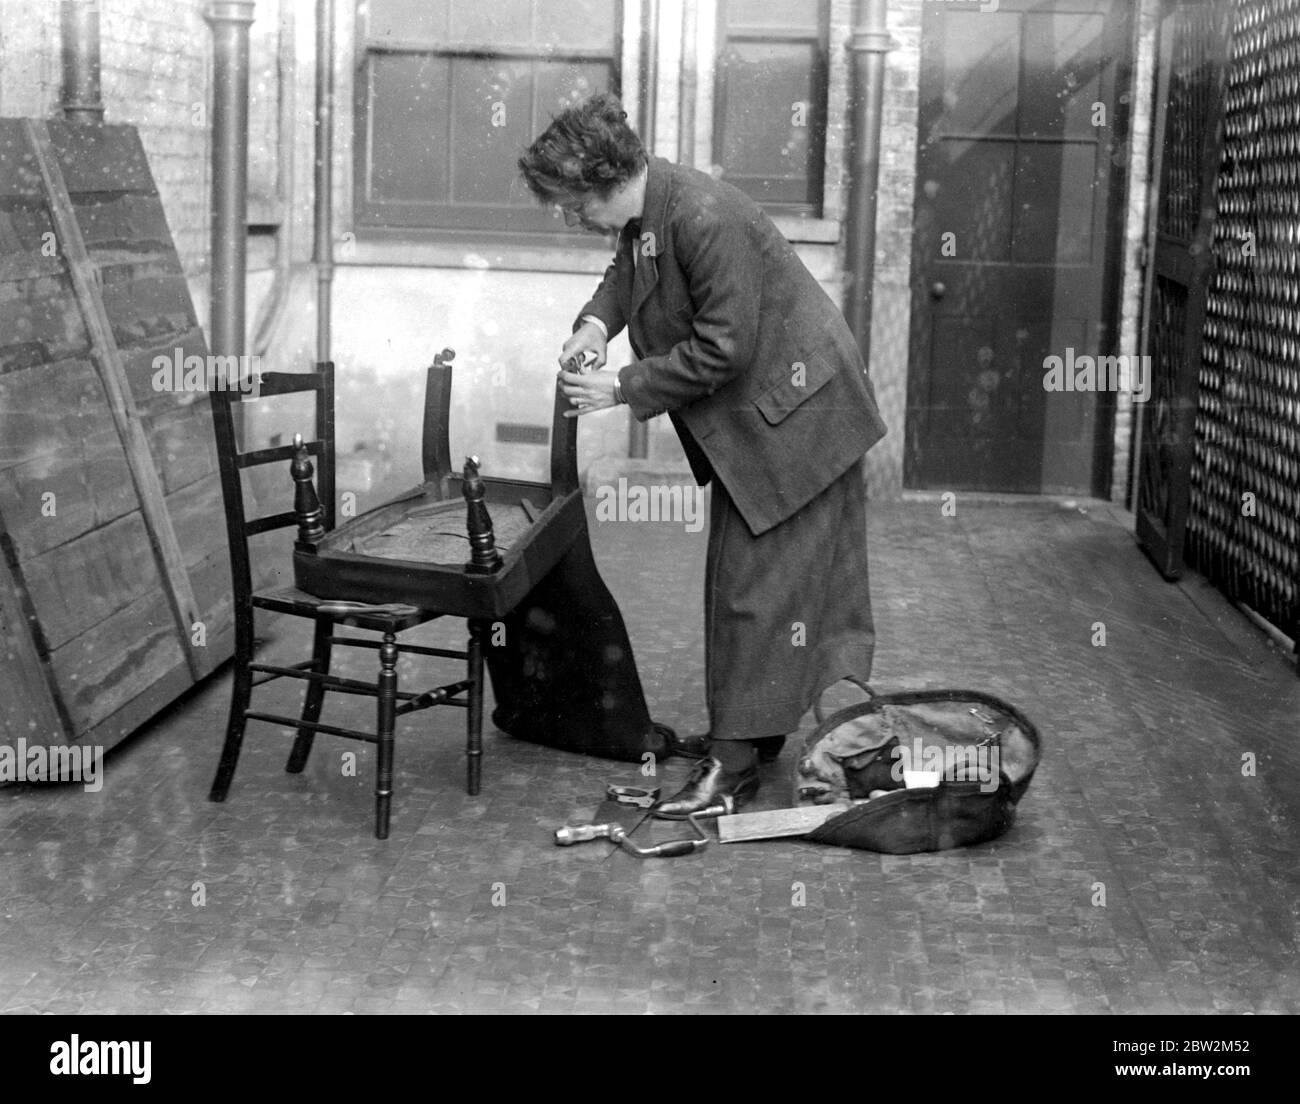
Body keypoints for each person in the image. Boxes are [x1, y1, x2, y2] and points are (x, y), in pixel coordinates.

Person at [518, 94, 887, 816]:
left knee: (750, 592)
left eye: (570, 204)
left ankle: (733, 768)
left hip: (804, 424)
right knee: (768, 589)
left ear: (601, 180)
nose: (569, 219)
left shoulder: (700, 215)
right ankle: (757, 733)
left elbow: (726, 346)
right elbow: (627, 273)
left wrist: (620, 386)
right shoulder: (652, 208)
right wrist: (595, 325)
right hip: (780, 421)